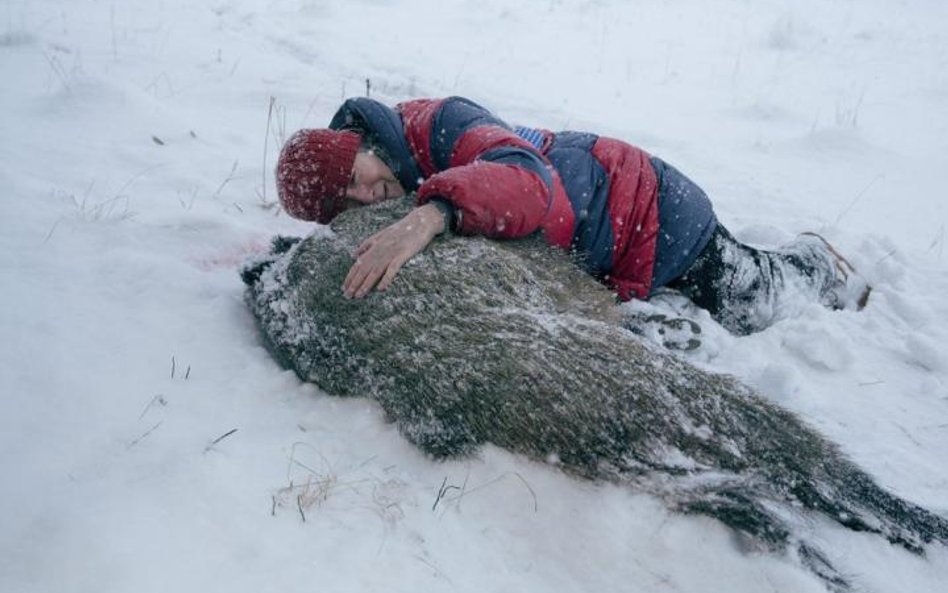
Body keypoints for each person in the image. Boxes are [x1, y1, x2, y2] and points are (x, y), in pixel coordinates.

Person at [274, 96, 869, 335]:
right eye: (346, 204)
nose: (366, 196)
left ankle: (814, 263)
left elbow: (529, 184)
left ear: (356, 142)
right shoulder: (400, 167)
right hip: (605, 239)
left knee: (755, 303)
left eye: (355, 178)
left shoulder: (441, 122)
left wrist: (429, 216)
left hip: (647, 210)